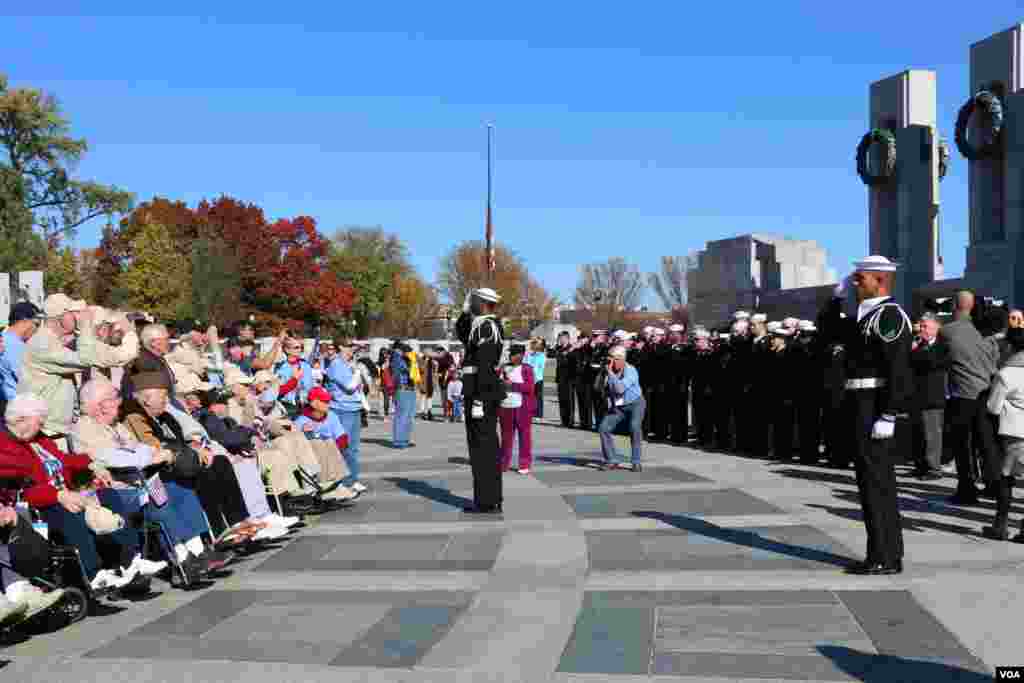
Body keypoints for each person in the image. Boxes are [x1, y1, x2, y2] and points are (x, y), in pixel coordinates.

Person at [0, 393, 164, 590]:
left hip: (68, 492)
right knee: (72, 510)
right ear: (21, 420)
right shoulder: (5, 446)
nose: (41, 426)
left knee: (108, 495)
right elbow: (22, 489)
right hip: (41, 503)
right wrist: (58, 495)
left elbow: (63, 460)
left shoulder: (39, 439)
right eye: (39, 422)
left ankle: (129, 561)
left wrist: (92, 462)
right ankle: (94, 573)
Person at [822, 255, 911, 575]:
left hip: (874, 403)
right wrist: (834, 299)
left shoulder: (888, 317)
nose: (855, 283)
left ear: (881, 281)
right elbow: (830, 331)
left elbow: (898, 369)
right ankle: (884, 552)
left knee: (878, 484)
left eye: (860, 279)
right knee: (869, 483)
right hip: (860, 403)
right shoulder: (863, 315)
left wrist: (889, 414)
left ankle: (884, 556)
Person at [20, 294, 139, 447]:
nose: (79, 317)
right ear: (60, 317)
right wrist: (86, 327)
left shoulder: (57, 342)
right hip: (46, 433)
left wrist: (129, 336)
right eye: (73, 313)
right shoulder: (42, 344)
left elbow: (111, 355)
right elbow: (87, 358)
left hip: (56, 431)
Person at [939, 290, 999, 505]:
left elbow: (940, 360)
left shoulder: (948, 331)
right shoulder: (987, 332)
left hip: (962, 394)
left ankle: (967, 489)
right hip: (986, 394)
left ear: (955, 305)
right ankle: (994, 485)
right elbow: (994, 360)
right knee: (987, 443)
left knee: (963, 444)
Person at [455, 288, 505, 514]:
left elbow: (484, 365)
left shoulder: (487, 326)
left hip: (481, 394)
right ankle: (488, 498)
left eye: (474, 301)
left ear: (483, 303)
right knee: (481, 446)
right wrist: (465, 311)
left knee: (483, 447)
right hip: (479, 391)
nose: (471, 303)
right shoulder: (481, 324)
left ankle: (487, 500)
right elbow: (462, 332)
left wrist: (478, 399)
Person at [985, 326, 1024, 541]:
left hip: (1014, 432)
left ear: (1010, 346)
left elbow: (993, 407)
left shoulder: (1006, 374)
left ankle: (1000, 525)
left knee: (1006, 478)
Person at [323, 340, 367, 493]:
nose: (352, 350)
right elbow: (350, 386)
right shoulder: (337, 365)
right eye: (349, 347)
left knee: (353, 448)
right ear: (340, 347)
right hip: (342, 410)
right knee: (344, 447)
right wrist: (357, 372)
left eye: (354, 348)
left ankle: (352, 479)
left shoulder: (347, 364)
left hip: (353, 408)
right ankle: (343, 481)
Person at [910, 313, 950, 480]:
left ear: (936, 327)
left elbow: (932, 362)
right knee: (918, 433)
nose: (922, 329)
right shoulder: (919, 344)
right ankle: (921, 465)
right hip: (917, 395)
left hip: (933, 396)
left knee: (932, 434)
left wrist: (917, 353)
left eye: (925, 326)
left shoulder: (943, 346)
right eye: (921, 326)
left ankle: (934, 468)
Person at [598, 346, 645, 471]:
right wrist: (602, 373)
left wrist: (610, 374)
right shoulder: (609, 370)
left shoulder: (631, 371)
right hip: (618, 406)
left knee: (634, 427)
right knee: (603, 428)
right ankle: (611, 460)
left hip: (635, 403)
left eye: (614, 359)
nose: (611, 362)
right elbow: (597, 388)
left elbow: (620, 388)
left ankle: (636, 461)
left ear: (622, 359)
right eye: (610, 359)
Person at [0, 302, 42, 415]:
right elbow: (25, 377)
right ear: (24, 321)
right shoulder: (14, 345)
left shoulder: (5, 338)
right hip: (16, 409)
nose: (37, 330)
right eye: (36, 324)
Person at [499, 344, 535, 474]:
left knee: (524, 437)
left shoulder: (527, 369)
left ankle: (524, 464)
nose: (511, 356)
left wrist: (512, 385)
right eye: (511, 354)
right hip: (505, 406)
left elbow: (530, 388)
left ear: (521, 355)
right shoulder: (504, 367)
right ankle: (503, 463)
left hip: (522, 408)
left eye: (514, 354)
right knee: (506, 437)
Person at [274, 337, 314, 419]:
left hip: (302, 407)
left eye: (301, 347)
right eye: (296, 347)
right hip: (285, 406)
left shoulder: (305, 366)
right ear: (287, 350)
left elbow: (309, 387)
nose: (300, 350)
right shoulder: (280, 367)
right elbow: (277, 390)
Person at [390, 342, 416, 448]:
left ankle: (404, 439)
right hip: (402, 388)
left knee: (408, 415)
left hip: (409, 388)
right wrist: (412, 363)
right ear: (398, 350)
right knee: (402, 415)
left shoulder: (405, 358)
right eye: (405, 351)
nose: (408, 353)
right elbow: (405, 370)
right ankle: (399, 441)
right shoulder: (397, 358)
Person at [554, 331, 576, 428]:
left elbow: (572, 362)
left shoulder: (572, 349)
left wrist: (565, 352)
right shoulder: (558, 348)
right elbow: (552, 354)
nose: (560, 340)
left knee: (569, 401)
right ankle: (564, 420)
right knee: (562, 400)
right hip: (560, 378)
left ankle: (570, 421)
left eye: (562, 338)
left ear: (567, 338)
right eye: (559, 338)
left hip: (569, 378)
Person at [526, 338, 547, 420]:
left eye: (536, 344)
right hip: (529, 378)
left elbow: (536, 367)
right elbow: (525, 363)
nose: (534, 345)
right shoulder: (529, 355)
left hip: (537, 379)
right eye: (533, 344)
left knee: (538, 397)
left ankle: (538, 414)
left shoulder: (541, 355)